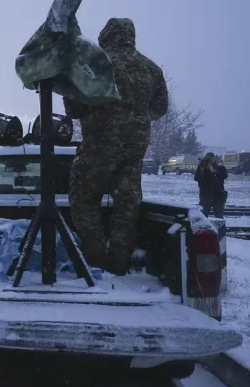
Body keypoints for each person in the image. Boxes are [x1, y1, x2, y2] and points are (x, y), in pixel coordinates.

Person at [63, 18, 169, 275]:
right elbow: (160, 108)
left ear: (106, 37)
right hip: (134, 151)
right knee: (127, 205)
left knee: (84, 199)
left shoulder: (94, 64)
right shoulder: (151, 69)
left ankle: (95, 259)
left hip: (98, 148)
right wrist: (135, 115)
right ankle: (120, 262)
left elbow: (75, 109)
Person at [195, 152, 228, 218]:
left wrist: (214, 171)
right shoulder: (202, 167)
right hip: (205, 195)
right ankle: (204, 228)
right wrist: (201, 170)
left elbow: (223, 176)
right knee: (202, 216)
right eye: (207, 159)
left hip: (218, 195)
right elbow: (196, 178)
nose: (209, 161)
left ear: (214, 160)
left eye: (210, 159)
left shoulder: (220, 168)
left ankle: (220, 228)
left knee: (219, 215)